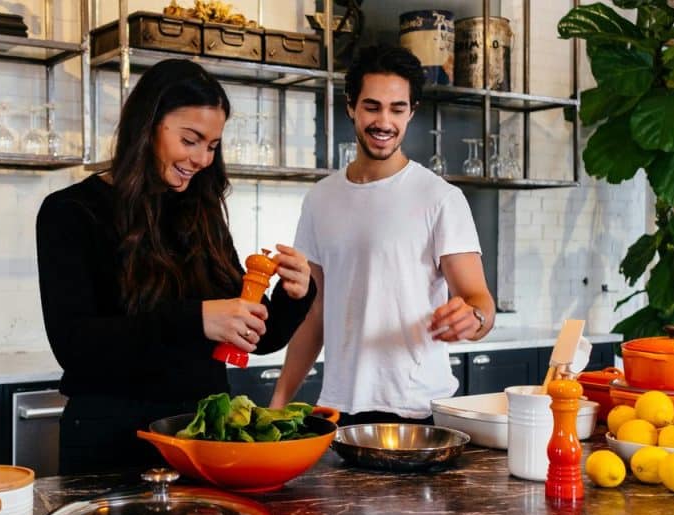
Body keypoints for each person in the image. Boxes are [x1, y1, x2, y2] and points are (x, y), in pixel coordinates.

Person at [36, 59, 316, 474]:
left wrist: (294, 295)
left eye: (213, 145)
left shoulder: (201, 212)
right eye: (191, 140)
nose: (203, 158)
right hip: (111, 443)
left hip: (202, 439)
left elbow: (252, 337)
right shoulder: (70, 212)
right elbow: (75, 347)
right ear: (147, 125)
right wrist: (197, 319)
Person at [269, 45, 495, 426]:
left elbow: (480, 303)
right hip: (340, 410)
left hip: (419, 410)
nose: (384, 121)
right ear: (350, 107)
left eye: (397, 109)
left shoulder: (440, 198)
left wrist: (473, 319)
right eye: (372, 106)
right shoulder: (320, 199)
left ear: (412, 112)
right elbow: (315, 313)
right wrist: (278, 403)